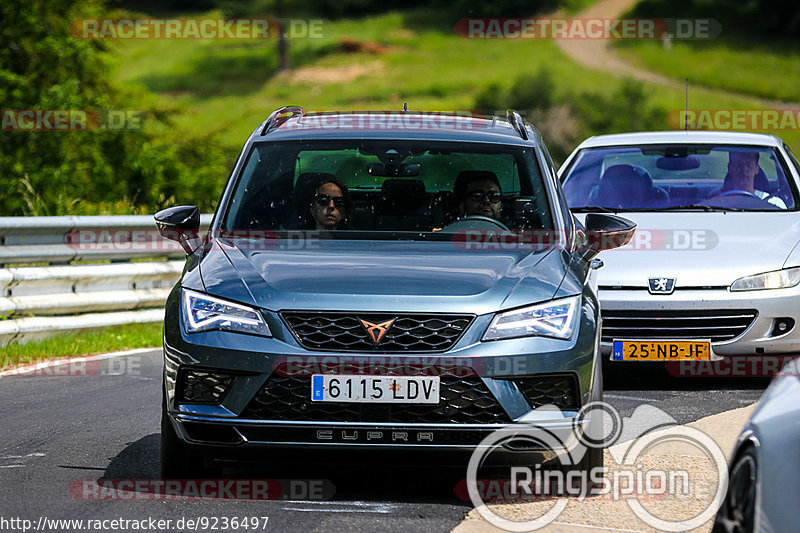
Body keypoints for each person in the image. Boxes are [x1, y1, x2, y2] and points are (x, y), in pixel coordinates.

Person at [720, 151, 785, 208]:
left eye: (749, 164)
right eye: (738, 164)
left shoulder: (774, 203)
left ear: (757, 168)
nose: (744, 169)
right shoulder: (716, 203)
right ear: (729, 168)